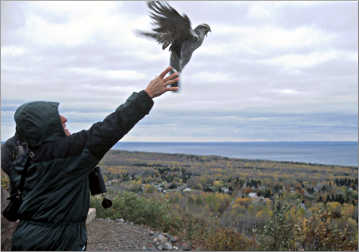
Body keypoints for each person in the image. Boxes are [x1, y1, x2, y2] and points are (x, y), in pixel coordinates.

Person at [1, 66, 179, 251]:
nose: (64, 118)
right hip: (58, 242)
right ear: (44, 127)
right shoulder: (66, 155)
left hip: (25, 237)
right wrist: (147, 94)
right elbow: (108, 129)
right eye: (55, 118)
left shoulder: (15, 155)